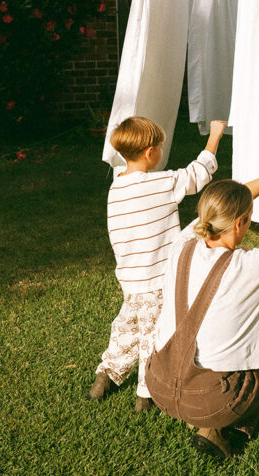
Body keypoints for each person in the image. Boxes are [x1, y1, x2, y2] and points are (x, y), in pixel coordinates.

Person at [146, 132, 259, 458]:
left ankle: (209, 417)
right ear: (241, 222)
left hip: (158, 383)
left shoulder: (183, 244)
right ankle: (224, 426)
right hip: (207, 400)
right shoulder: (251, 266)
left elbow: (234, 200)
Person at [89, 115, 227, 411]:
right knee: (155, 335)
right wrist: (214, 136)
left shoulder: (117, 188)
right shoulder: (161, 183)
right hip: (157, 280)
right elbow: (198, 173)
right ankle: (146, 393)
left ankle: (106, 375)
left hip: (131, 280)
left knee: (127, 328)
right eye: (161, 147)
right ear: (150, 152)